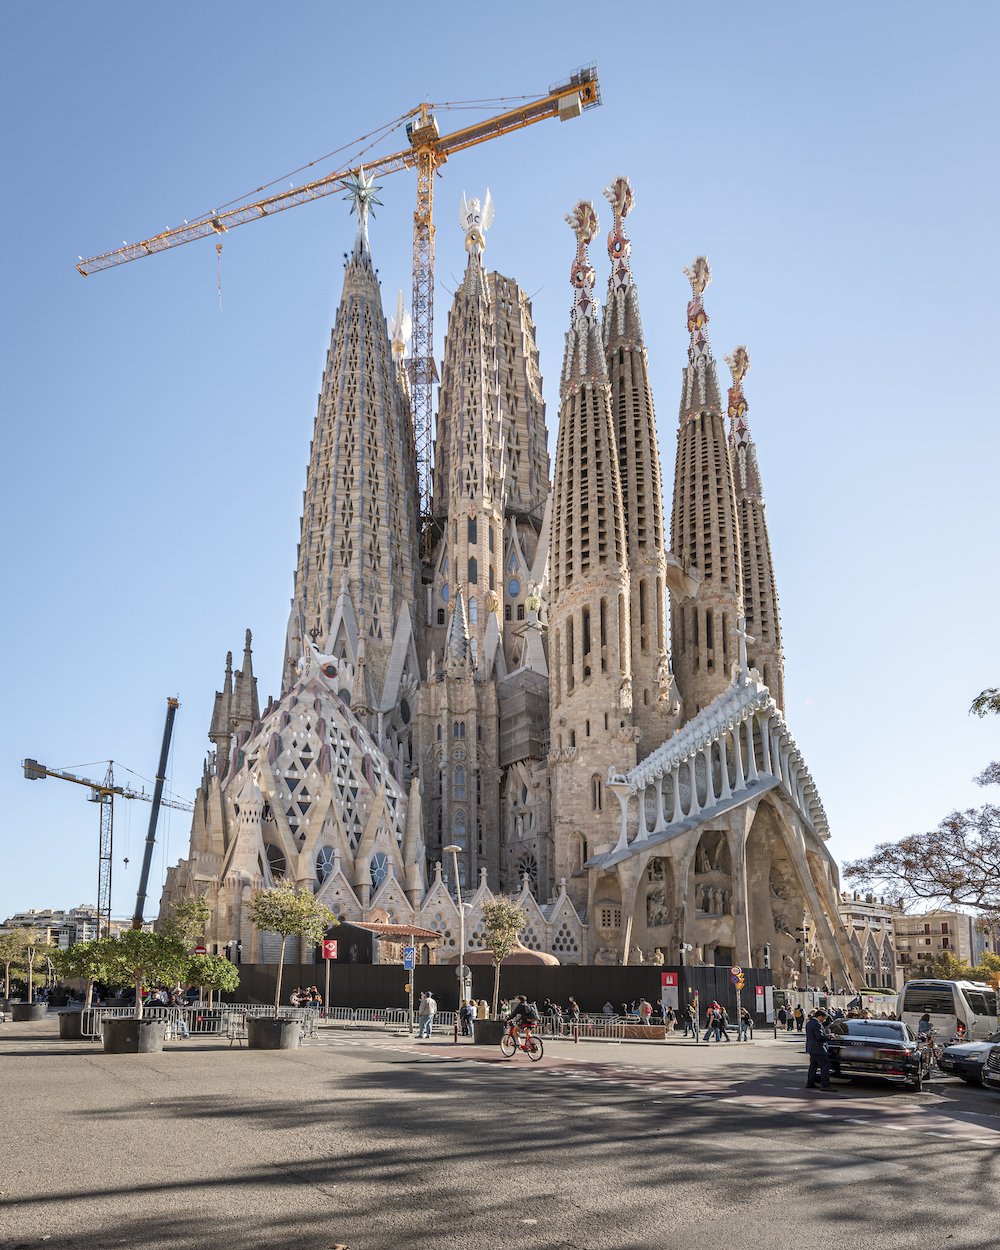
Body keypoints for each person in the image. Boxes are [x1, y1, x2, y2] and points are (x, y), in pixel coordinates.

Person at [804, 1009, 837, 1092]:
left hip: (812, 1048)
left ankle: (810, 1083)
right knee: (825, 1066)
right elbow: (819, 1037)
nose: (824, 1020)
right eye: (824, 1018)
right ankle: (825, 1085)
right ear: (820, 1017)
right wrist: (829, 1037)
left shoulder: (810, 1023)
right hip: (819, 1048)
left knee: (813, 1066)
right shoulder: (817, 1024)